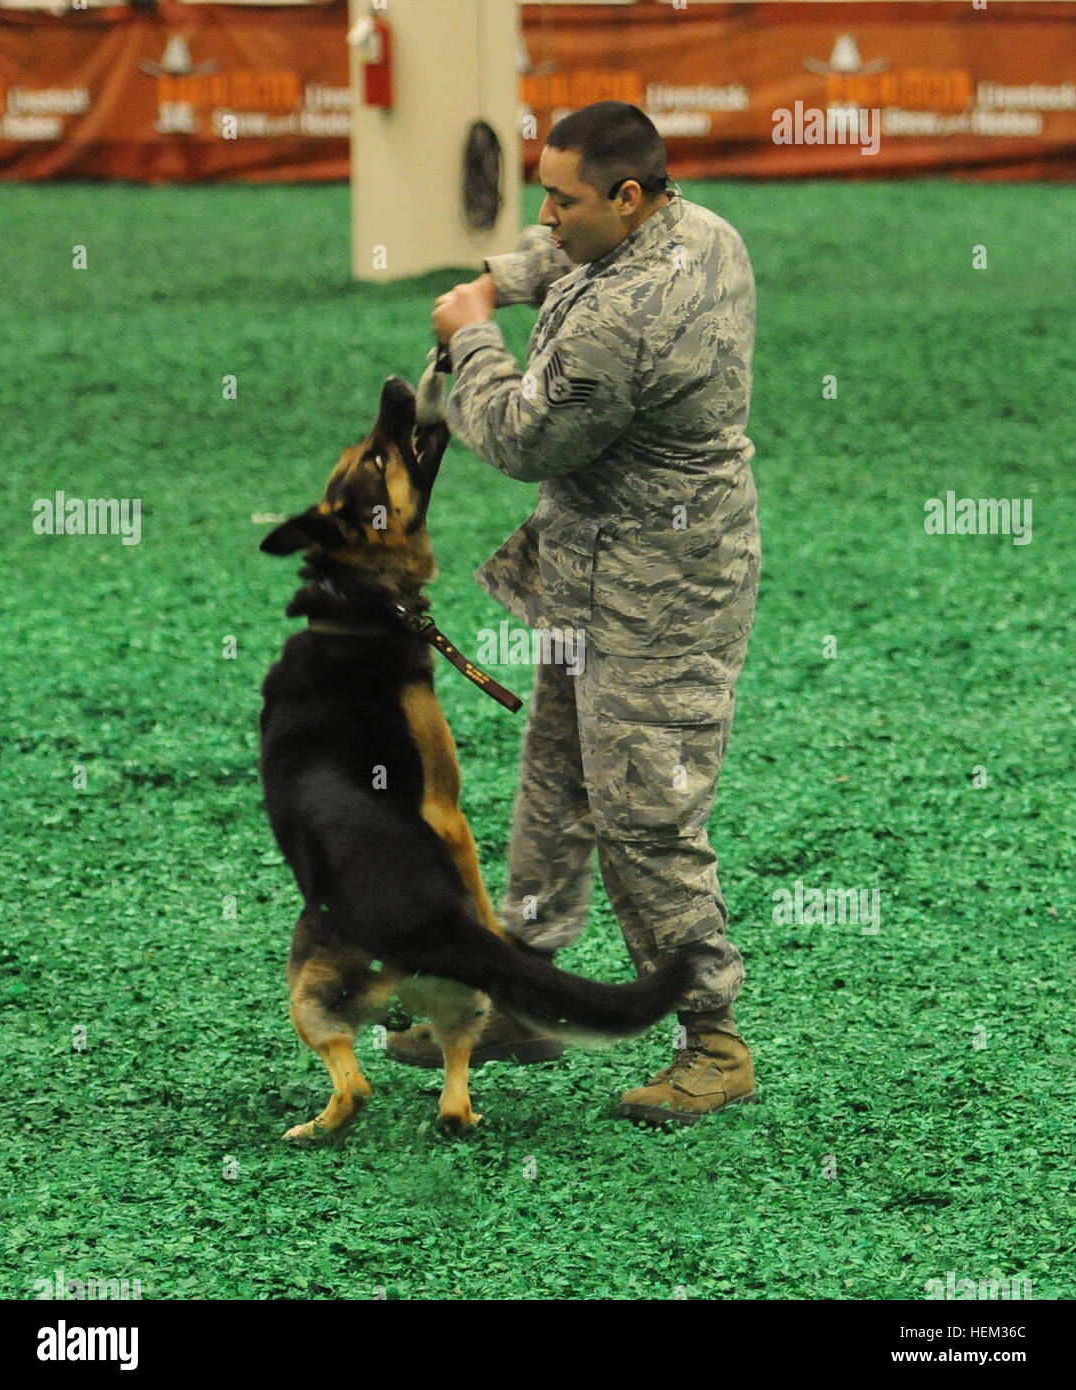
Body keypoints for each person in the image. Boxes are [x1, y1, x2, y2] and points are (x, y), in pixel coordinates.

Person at [388, 101, 760, 1124]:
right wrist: (495, 282)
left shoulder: (629, 319)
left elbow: (520, 438)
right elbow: (562, 259)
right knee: (554, 775)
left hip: (659, 591)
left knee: (646, 807)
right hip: (594, 567)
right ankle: (524, 996)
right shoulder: (697, 229)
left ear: (628, 196)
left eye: (563, 198)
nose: (545, 215)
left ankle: (715, 1039)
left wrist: (470, 338)